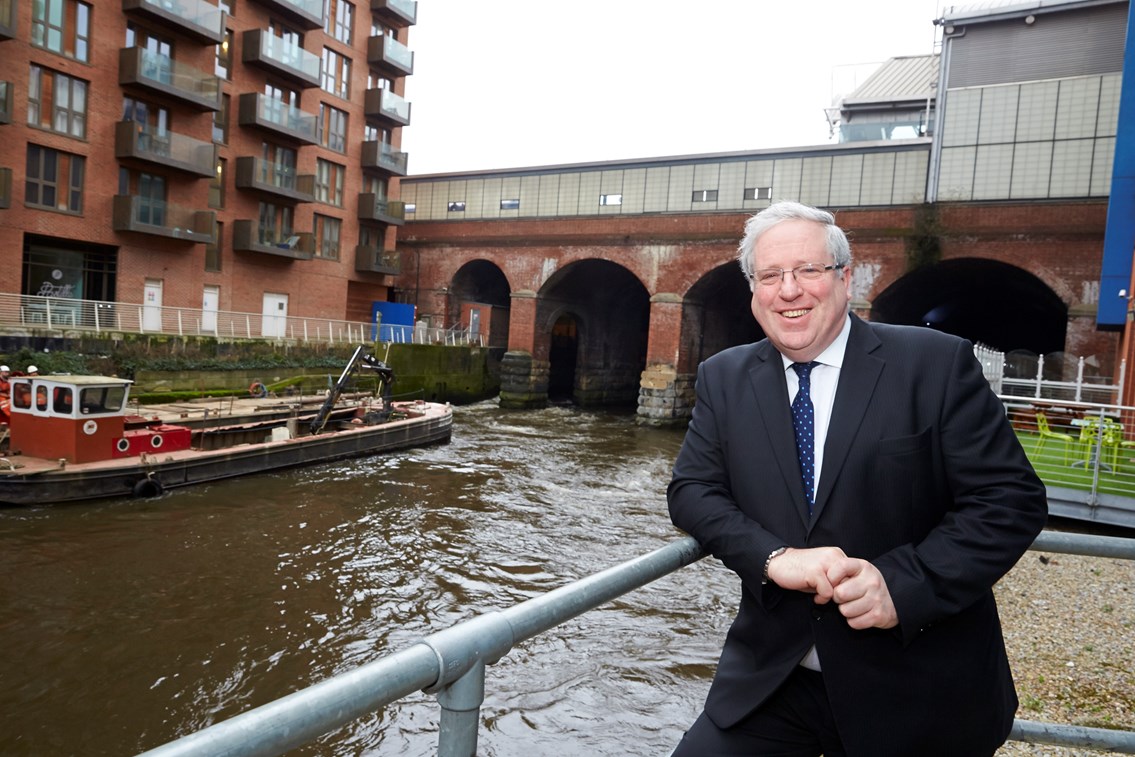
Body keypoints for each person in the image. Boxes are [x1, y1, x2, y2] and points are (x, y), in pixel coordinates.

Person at [668, 201, 1048, 757]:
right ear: (753, 291)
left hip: (916, 684)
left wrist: (904, 584)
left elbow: (1010, 500)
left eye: (808, 271)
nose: (788, 290)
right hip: (774, 682)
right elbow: (692, 492)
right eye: (770, 275)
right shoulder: (723, 377)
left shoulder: (935, 364)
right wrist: (775, 558)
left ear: (845, 278)